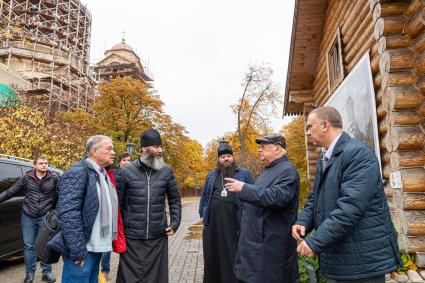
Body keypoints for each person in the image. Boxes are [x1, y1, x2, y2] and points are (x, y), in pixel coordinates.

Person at [292, 106, 401, 283]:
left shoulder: (358, 154)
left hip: (363, 262)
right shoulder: (325, 158)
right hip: (342, 259)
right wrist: (303, 221)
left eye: (310, 126)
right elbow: (316, 198)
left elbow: (349, 209)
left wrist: (315, 242)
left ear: (325, 125)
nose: (307, 133)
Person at [225, 133, 300, 283]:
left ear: (277, 149)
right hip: (257, 245)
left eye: (264, 147)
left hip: (270, 247)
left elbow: (277, 197)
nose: (259, 150)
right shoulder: (270, 169)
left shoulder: (287, 170)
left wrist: (244, 188)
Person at [48, 135, 119, 283]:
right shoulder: (78, 172)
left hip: (97, 245)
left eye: (113, 148)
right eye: (109, 148)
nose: (113, 152)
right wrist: (77, 250)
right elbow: (68, 213)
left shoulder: (102, 174)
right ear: (94, 150)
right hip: (83, 248)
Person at [116, 128, 181, 283]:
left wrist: (175, 223)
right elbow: (119, 203)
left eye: (161, 147)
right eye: (156, 147)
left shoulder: (166, 171)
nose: (160, 150)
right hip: (132, 238)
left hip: (157, 237)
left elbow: (175, 200)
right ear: (144, 148)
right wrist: (122, 228)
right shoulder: (127, 172)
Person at [199, 140, 254, 283]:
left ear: (233, 157)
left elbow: (254, 196)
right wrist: (202, 214)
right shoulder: (211, 175)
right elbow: (205, 196)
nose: (226, 159)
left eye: (229, 156)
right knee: (212, 255)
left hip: (233, 223)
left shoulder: (244, 174)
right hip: (213, 225)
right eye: (223, 156)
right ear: (218, 159)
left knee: (231, 255)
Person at [0, 156, 58, 283]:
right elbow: (11, 191)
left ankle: (46, 273)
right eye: (41, 163)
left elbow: (57, 196)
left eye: (46, 163)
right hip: (28, 216)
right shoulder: (27, 178)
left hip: (44, 216)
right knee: (28, 246)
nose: (44, 165)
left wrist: (53, 211)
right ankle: (30, 274)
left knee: (46, 245)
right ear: (34, 166)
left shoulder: (53, 178)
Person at [100, 152, 132, 280]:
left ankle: (125, 270)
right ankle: (105, 270)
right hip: (113, 213)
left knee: (124, 244)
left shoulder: (134, 175)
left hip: (127, 215)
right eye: (124, 160)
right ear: (120, 162)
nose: (127, 162)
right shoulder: (113, 173)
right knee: (107, 242)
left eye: (129, 160)